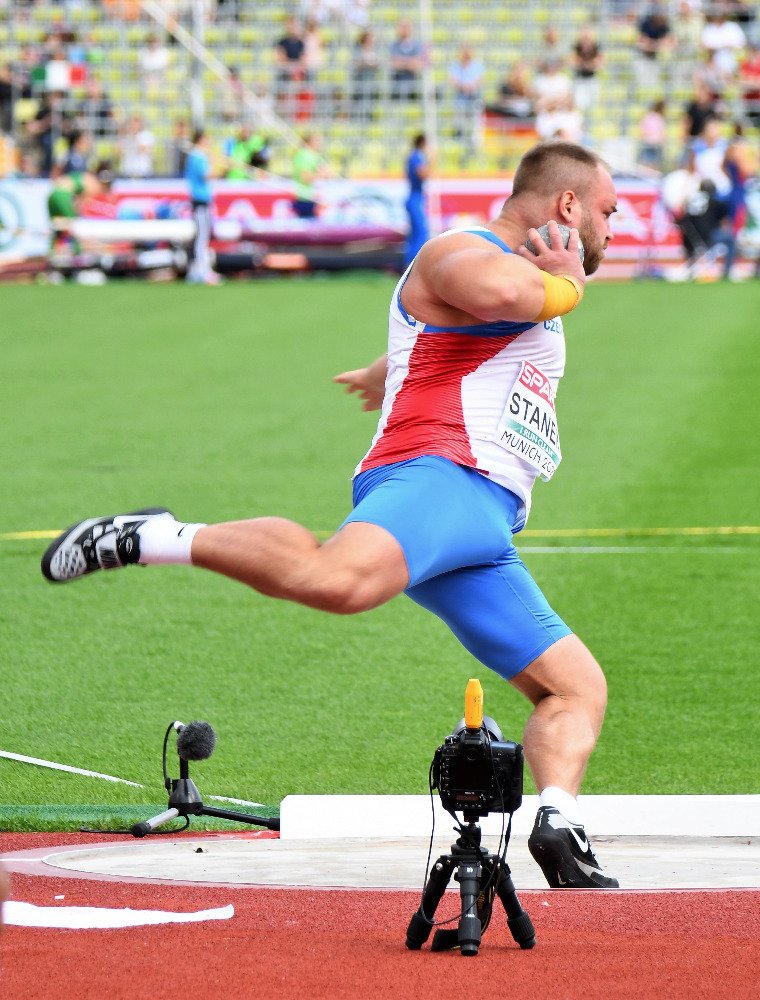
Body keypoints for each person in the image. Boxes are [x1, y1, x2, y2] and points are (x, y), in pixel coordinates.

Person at [41, 140, 620, 891]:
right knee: (337, 582)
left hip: (485, 523)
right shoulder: (462, 249)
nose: (616, 224)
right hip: (437, 477)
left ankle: (558, 820)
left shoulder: (523, 275)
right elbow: (500, 295)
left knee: (575, 685)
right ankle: (154, 535)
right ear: (567, 206)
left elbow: (467, 331)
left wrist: (392, 365)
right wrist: (569, 284)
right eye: (608, 209)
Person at [184, 128, 218, 285]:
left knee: (202, 236)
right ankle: (201, 271)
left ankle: (201, 270)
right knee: (201, 237)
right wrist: (220, 166)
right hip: (200, 201)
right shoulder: (198, 156)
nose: (209, 142)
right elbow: (206, 174)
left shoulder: (196, 156)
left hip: (201, 200)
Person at [403, 132, 430, 267]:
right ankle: (414, 265)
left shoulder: (413, 156)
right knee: (420, 233)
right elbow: (423, 175)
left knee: (415, 234)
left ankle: (410, 264)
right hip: (415, 198)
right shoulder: (417, 157)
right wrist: (432, 161)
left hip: (414, 197)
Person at [291, 132, 330, 218]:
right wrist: (321, 175)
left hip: (311, 197)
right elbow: (305, 177)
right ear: (310, 142)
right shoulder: (304, 155)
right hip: (304, 198)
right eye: (318, 141)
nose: (321, 143)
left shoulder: (313, 155)